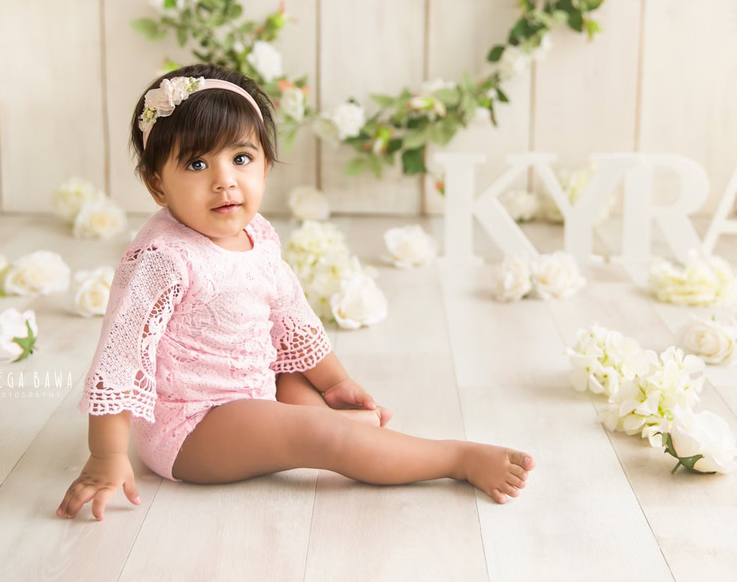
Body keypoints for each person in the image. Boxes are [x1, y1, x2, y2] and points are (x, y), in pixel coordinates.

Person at [56, 63, 534, 521]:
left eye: (241, 158)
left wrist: (334, 382)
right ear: (157, 184)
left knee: (298, 383)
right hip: (193, 425)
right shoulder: (164, 257)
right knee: (324, 437)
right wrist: (107, 455)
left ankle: (356, 435)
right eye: (198, 163)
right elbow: (119, 360)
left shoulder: (257, 234)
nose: (225, 180)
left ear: (264, 167)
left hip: (254, 389)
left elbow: (291, 315)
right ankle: (455, 458)